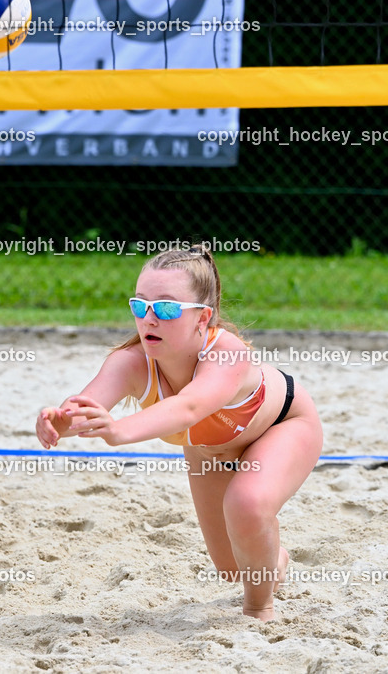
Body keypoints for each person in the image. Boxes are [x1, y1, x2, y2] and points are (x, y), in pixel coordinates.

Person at [35, 244, 323, 621]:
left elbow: (188, 408)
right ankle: (272, 558)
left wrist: (118, 432)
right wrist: (58, 421)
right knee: (232, 568)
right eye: (140, 306)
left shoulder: (227, 353)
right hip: (209, 450)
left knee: (247, 504)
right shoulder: (131, 362)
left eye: (167, 308)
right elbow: (88, 409)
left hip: (283, 425)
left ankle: (259, 611)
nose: (149, 319)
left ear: (203, 318)